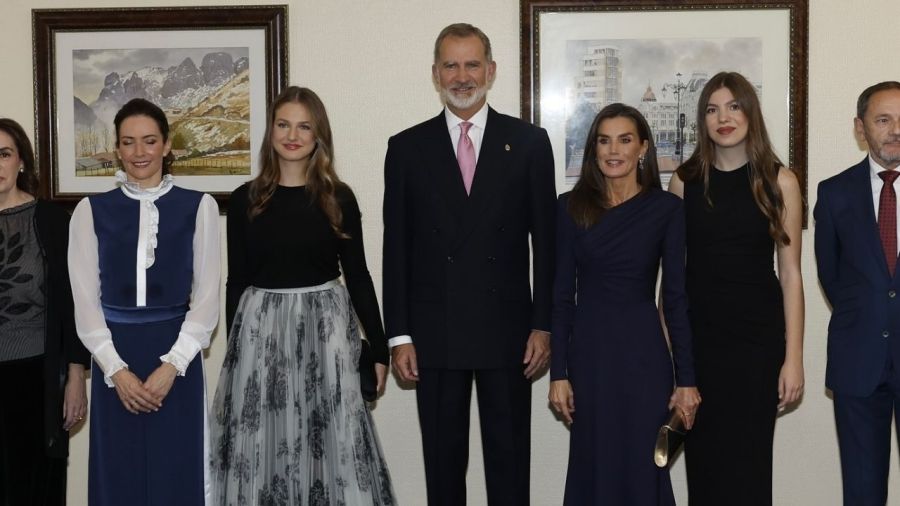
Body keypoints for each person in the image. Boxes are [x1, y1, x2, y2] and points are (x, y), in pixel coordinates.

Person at [383, 23, 556, 506]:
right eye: (452, 65)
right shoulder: (406, 148)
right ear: (436, 74)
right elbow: (395, 248)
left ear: (491, 70)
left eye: (472, 64)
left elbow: (548, 245)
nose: (462, 76)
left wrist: (543, 325)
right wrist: (398, 335)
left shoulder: (528, 143)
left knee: (509, 467)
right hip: (433, 332)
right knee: (443, 470)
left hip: (509, 332)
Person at [210, 86, 394, 505]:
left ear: (318, 136)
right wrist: (234, 353)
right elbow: (236, 280)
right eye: (283, 124)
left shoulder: (338, 198)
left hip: (325, 333)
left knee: (331, 439)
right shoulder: (244, 200)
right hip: (261, 336)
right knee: (265, 440)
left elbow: (359, 276)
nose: (292, 135)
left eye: (304, 126)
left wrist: (379, 349)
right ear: (270, 131)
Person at [68, 98, 220, 506]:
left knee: (178, 469)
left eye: (149, 141)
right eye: (129, 142)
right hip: (112, 359)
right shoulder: (89, 212)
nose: (139, 152)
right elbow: (85, 302)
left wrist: (171, 367)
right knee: (119, 473)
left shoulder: (199, 207)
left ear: (167, 145)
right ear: (117, 148)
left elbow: (206, 300)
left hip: (178, 358)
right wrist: (117, 372)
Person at [548, 103, 700, 504]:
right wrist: (558, 373)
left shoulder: (667, 210)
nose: (613, 150)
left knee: (644, 462)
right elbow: (561, 296)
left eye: (625, 139)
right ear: (594, 149)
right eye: (604, 140)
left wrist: (686, 380)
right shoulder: (569, 208)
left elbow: (676, 298)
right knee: (593, 460)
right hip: (590, 358)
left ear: (643, 148)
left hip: (644, 358)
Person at [669, 71, 804, 506]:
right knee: (703, 469)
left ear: (751, 112)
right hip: (700, 347)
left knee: (748, 469)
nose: (722, 117)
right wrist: (674, 361)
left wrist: (794, 359)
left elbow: (792, 275)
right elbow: (671, 281)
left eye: (733, 106)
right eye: (711, 109)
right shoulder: (683, 183)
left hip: (757, 349)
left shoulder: (781, 182)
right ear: (702, 121)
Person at [815, 81, 900, 505]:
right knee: (863, 492)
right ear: (860, 127)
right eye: (883, 119)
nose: (895, 130)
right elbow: (832, 278)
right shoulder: (834, 193)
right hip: (858, 361)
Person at [0, 118, 89, 505]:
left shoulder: (52, 220)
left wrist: (74, 377)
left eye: (3, 154)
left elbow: (72, 304)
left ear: (21, 161)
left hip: (37, 376)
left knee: (36, 489)